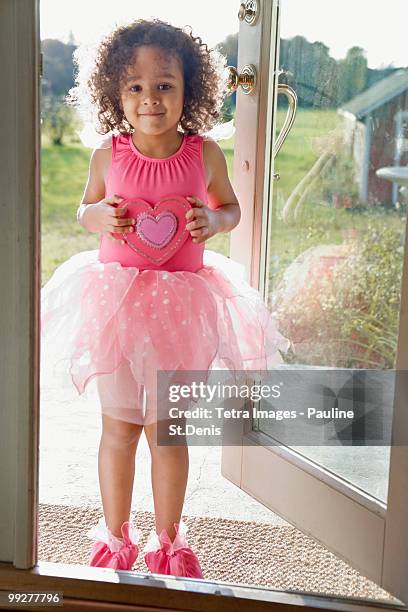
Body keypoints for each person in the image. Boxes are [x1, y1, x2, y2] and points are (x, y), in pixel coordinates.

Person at [40, 18, 290, 578]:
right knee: (120, 427)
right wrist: (97, 215)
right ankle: (115, 535)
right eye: (134, 86)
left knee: (167, 430)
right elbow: (85, 209)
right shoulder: (109, 153)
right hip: (116, 306)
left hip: (182, 310)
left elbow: (230, 207)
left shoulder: (203, 155)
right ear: (114, 93)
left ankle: (170, 539)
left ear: (189, 90)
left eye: (164, 85)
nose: (149, 99)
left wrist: (214, 219)